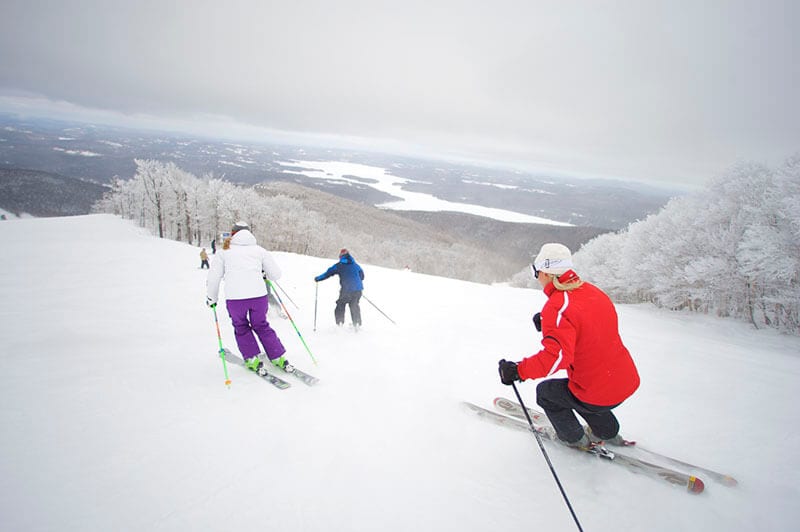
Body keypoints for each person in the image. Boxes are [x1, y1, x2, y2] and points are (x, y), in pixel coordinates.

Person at [498, 243, 640, 450]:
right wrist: (549, 321)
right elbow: (589, 326)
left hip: (594, 390)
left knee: (547, 393)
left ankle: (573, 439)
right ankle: (606, 432)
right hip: (623, 381)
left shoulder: (558, 307)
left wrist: (518, 371)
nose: (536, 277)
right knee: (586, 392)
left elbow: (555, 359)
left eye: (536, 271)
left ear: (546, 272)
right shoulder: (593, 292)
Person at [206, 221, 293, 373]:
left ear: (233, 234)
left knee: (241, 326)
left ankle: (252, 358)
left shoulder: (223, 252)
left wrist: (211, 298)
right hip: (259, 297)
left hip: (235, 299)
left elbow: (214, 278)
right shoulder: (259, 251)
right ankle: (278, 357)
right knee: (261, 325)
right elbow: (276, 275)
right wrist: (263, 272)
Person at [314, 248, 365, 327]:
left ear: (341, 256)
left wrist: (318, 278)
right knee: (354, 305)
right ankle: (357, 324)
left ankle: (340, 323)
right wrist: (356, 284)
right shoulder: (356, 265)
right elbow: (362, 276)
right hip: (358, 290)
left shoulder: (339, 265)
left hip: (346, 290)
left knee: (340, 304)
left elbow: (328, 273)